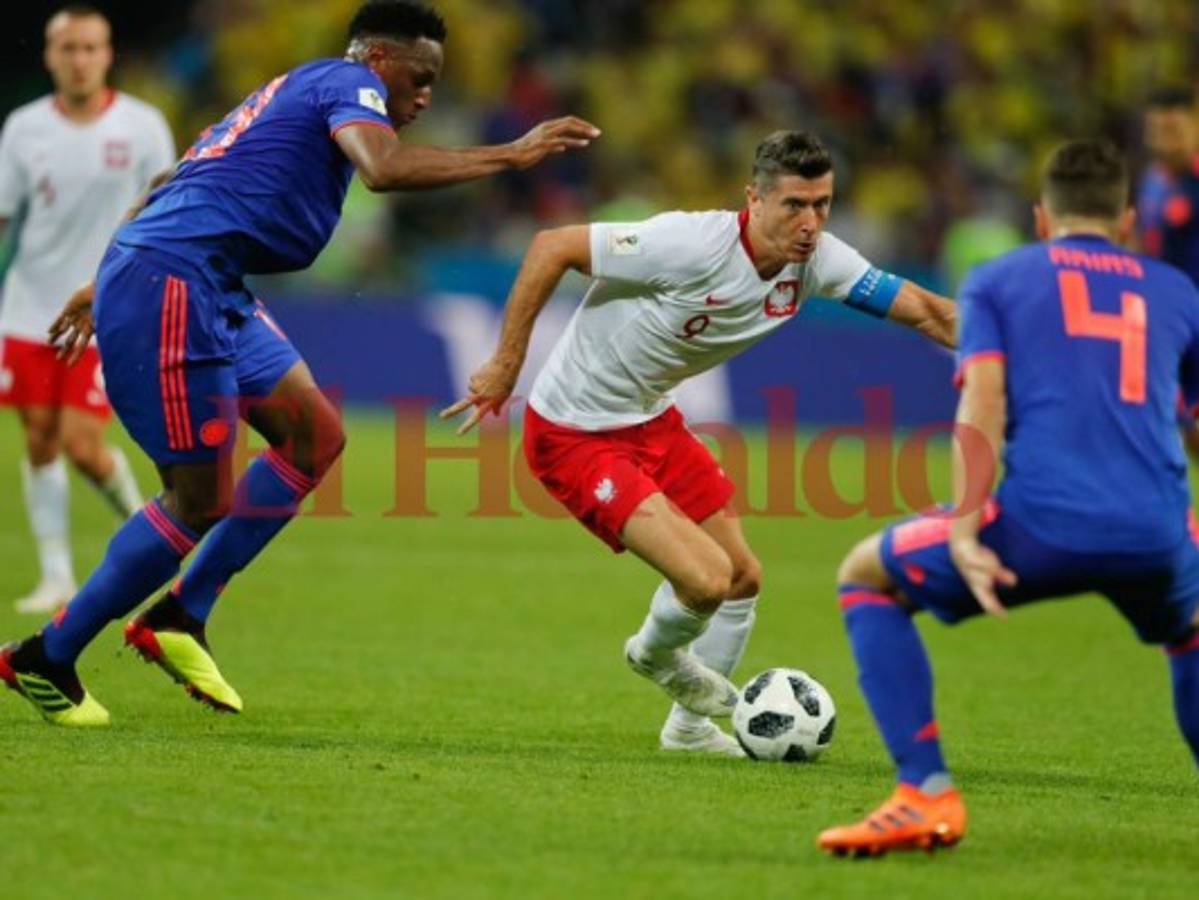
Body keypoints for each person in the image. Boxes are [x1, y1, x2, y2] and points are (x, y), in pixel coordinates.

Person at [0, 0, 599, 726]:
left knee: (315, 434)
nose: (426, 96)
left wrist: (105, 275)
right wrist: (511, 153)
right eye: (420, 78)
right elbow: (380, 170)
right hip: (174, 281)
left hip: (205, 278)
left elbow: (176, 182)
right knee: (199, 498)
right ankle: (45, 656)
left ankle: (180, 614)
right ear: (378, 60)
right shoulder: (350, 86)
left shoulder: (293, 93)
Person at [442, 131, 956, 756]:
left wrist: (1026, 350)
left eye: (822, 204)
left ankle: (687, 731)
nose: (810, 222)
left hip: (651, 421)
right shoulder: (688, 244)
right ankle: (655, 658)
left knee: (741, 577)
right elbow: (552, 247)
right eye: (794, 204)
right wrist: (504, 365)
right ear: (754, 200)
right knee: (706, 581)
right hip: (574, 433)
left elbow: (929, 312)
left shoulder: (819, 262)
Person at [818, 139, 1199, 857]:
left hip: (1038, 526)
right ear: (1125, 220)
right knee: (1188, 629)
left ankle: (921, 794)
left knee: (864, 575)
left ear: (1038, 218)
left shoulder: (998, 280)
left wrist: (964, 529)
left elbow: (984, 402)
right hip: (1156, 528)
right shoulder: (1177, 291)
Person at [0, 5, 172, 614]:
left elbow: (165, 211)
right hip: (27, 309)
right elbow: (5, 217)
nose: (79, 60)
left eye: (90, 48)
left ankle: (153, 532)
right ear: (50, 56)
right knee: (41, 439)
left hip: (106, 309)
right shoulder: (23, 129)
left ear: (108, 55)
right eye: (67, 48)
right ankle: (55, 574)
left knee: (81, 443)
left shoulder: (143, 126)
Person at [1137, 86, 1199, 282]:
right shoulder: (1149, 181)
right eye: (1158, 131)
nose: (1165, 141)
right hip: (1162, 293)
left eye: (1173, 130)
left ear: (1195, 126)